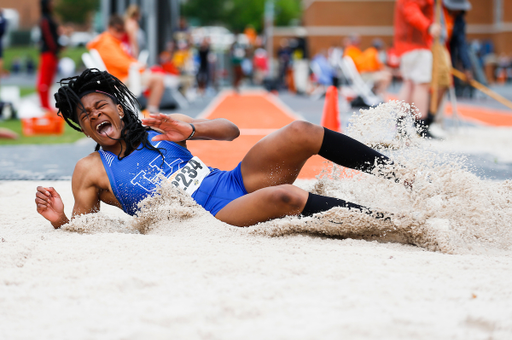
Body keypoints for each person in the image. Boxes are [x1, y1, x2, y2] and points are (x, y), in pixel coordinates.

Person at [35, 69, 405, 229]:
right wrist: (60, 220)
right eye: (85, 115)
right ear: (83, 127)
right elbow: (86, 232)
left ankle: (404, 177)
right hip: (213, 217)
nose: (94, 114)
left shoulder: (158, 126)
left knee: (301, 130)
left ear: (118, 108)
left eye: (101, 105)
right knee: (287, 196)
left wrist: (191, 129)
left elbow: (231, 132)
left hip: (233, 182)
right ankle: (391, 221)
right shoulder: (90, 169)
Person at [87, 15, 164, 115]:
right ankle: (152, 113)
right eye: (118, 29)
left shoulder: (109, 41)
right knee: (158, 78)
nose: (121, 33)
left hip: (122, 76)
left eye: (123, 30)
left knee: (157, 75)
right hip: (121, 78)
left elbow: (124, 60)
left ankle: (150, 113)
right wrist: (140, 67)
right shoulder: (107, 43)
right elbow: (120, 63)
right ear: (110, 27)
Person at [394, 0, 441, 138]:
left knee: (409, 84)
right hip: (417, 45)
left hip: (407, 45)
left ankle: (401, 125)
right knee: (421, 85)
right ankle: (421, 126)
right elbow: (412, 11)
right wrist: (428, 26)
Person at [37, 0, 63, 112]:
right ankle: (44, 105)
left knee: (49, 79)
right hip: (48, 53)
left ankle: (46, 104)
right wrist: (56, 47)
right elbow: (49, 37)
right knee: (44, 80)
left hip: (52, 53)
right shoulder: (45, 20)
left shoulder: (49, 18)